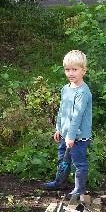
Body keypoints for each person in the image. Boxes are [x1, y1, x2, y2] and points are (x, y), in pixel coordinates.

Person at [42, 50, 93, 198]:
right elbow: (62, 111)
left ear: (83, 70)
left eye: (75, 69)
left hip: (78, 137)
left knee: (79, 163)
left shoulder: (83, 92)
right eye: (67, 70)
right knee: (62, 158)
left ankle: (79, 190)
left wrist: (71, 136)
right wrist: (59, 128)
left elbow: (77, 117)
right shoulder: (66, 89)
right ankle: (60, 181)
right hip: (66, 135)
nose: (71, 73)